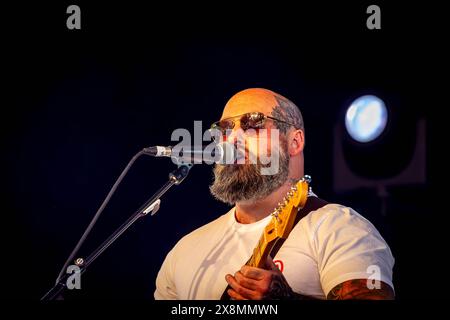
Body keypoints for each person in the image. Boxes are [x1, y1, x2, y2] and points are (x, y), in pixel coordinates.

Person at [154, 88, 395, 300]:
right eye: (225, 128)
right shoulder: (183, 251)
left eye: (254, 124)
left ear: (294, 141)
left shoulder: (341, 227)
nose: (233, 139)